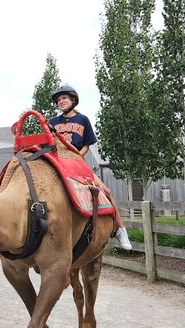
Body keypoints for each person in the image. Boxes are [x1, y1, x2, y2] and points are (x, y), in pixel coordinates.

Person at [49, 84, 133, 251]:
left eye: (64, 98)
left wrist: (78, 155)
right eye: (58, 100)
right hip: (58, 162)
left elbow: (87, 144)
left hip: (77, 162)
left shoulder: (83, 120)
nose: (61, 101)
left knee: (106, 192)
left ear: (73, 100)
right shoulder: (52, 122)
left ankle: (120, 229)